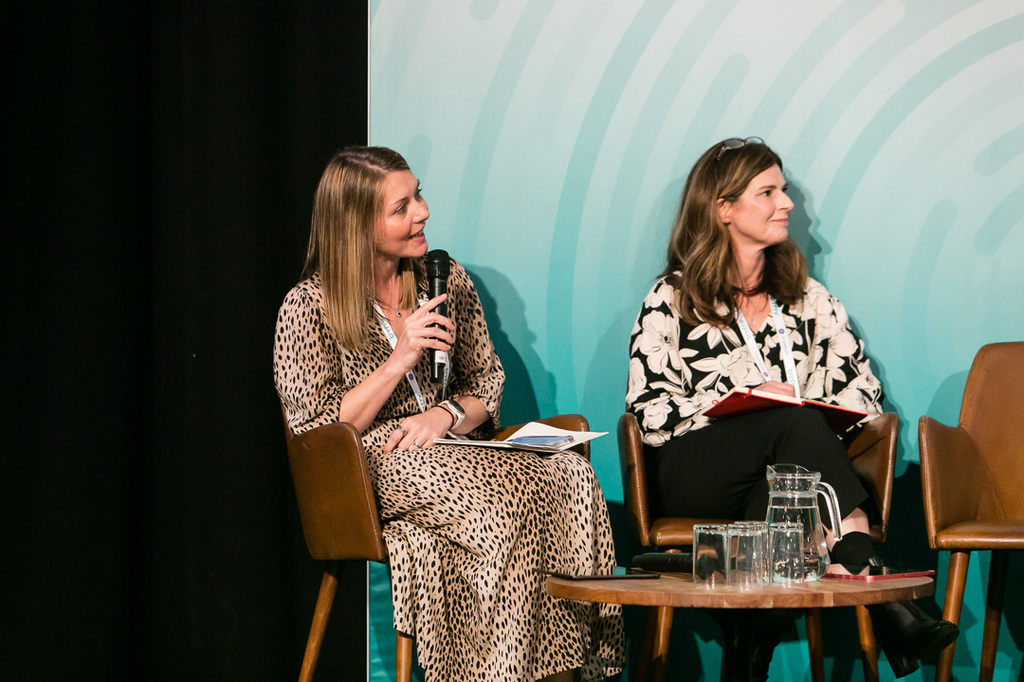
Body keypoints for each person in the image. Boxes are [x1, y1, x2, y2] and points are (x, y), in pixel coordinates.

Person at [274, 146, 623, 682]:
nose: (423, 212)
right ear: (356, 225)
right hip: (371, 463)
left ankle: (570, 670)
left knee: (572, 474)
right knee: (499, 510)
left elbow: (487, 381)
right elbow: (317, 432)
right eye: (402, 207)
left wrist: (444, 415)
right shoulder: (307, 307)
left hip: (454, 443)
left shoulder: (444, 279)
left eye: (419, 195)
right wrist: (399, 359)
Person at [625, 137, 957, 678]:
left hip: (786, 478)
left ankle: (746, 657)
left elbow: (864, 393)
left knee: (783, 495)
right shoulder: (673, 296)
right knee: (790, 425)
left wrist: (811, 413)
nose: (788, 204)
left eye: (785, 190)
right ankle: (863, 562)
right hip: (694, 472)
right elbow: (648, 412)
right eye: (768, 192)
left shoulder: (808, 299)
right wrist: (740, 403)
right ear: (723, 208)